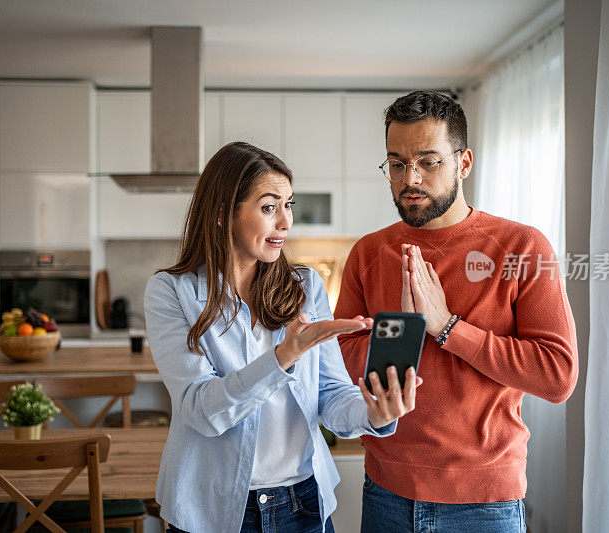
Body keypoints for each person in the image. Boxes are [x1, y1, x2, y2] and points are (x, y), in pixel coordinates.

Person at [144, 141, 420, 533]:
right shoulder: (173, 292)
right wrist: (282, 358)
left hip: (303, 504)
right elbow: (200, 410)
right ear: (224, 214)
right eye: (269, 207)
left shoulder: (305, 287)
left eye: (288, 204)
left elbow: (331, 395)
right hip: (214, 509)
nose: (286, 222)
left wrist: (372, 413)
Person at [334, 91, 578, 532]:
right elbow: (338, 358)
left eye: (429, 161)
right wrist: (403, 332)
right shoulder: (369, 253)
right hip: (387, 492)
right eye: (396, 163)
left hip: (485, 503)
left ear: (464, 163)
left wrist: (446, 327)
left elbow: (557, 375)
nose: (411, 178)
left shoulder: (522, 247)